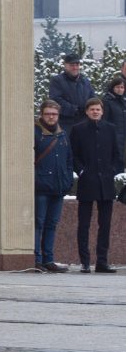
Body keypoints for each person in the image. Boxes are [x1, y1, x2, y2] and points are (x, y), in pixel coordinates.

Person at [69, 97, 123, 273]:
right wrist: (82, 171)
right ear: (87, 111)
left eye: (98, 109)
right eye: (92, 109)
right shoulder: (78, 130)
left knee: (105, 224)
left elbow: (117, 154)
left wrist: (112, 170)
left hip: (106, 184)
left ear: (102, 111)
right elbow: (73, 155)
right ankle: (85, 262)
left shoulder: (110, 129)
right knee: (84, 224)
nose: (95, 112)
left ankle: (102, 261)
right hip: (87, 183)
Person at [34, 100, 73, 273]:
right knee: (38, 223)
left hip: (58, 187)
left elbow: (69, 160)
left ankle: (48, 259)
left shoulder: (62, 134)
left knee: (52, 224)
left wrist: (67, 181)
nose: (51, 117)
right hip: (41, 186)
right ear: (42, 114)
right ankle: (36, 259)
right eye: (48, 113)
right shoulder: (35, 133)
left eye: (54, 114)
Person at [49, 53, 96, 132]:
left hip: (85, 123)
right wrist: (74, 110)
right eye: (72, 65)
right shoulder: (57, 81)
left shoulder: (85, 81)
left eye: (77, 65)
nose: (75, 67)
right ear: (65, 65)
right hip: (66, 124)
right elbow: (56, 100)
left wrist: (89, 110)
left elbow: (93, 99)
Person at [102, 76, 126, 160]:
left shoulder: (123, 101)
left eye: (122, 87)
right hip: (112, 137)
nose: (120, 89)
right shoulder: (107, 101)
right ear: (112, 87)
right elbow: (104, 120)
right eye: (117, 87)